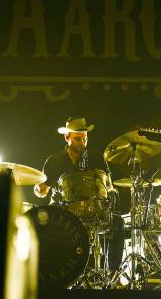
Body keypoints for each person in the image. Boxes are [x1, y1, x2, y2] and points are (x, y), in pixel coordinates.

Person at [34, 117, 124, 273]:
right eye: (77, 139)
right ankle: (53, 271)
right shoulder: (55, 161)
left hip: (93, 211)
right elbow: (42, 192)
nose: (82, 143)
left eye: (85, 139)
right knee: (44, 225)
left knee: (117, 222)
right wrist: (39, 189)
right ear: (67, 137)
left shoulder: (96, 158)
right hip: (63, 212)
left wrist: (111, 189)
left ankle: (112, 273)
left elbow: (109, 186)